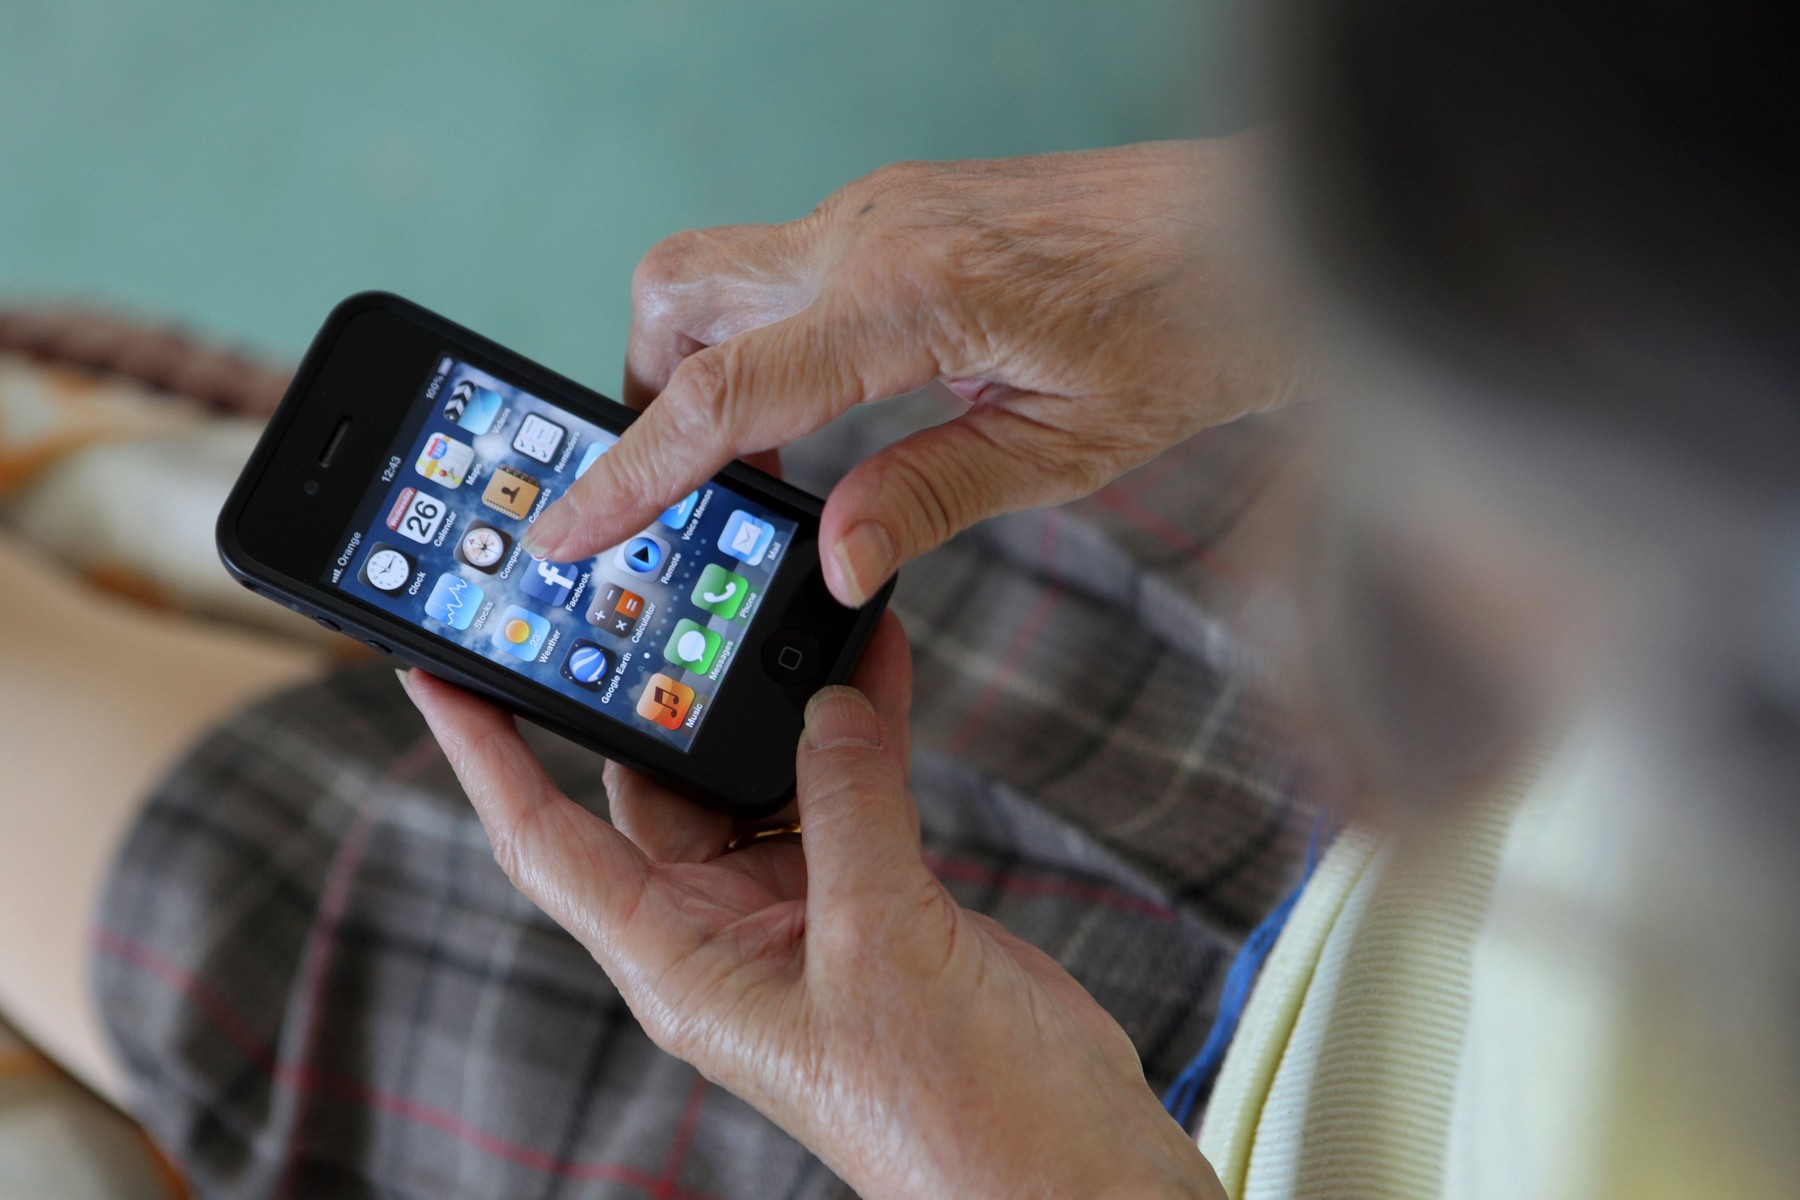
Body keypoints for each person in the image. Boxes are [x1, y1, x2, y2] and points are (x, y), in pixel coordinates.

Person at [8, 2, 1795, 1197]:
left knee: (262, 880)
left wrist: (1031, 1170)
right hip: (1431, 857)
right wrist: (1240, 255)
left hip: (1157, 1134)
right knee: (868, 509)